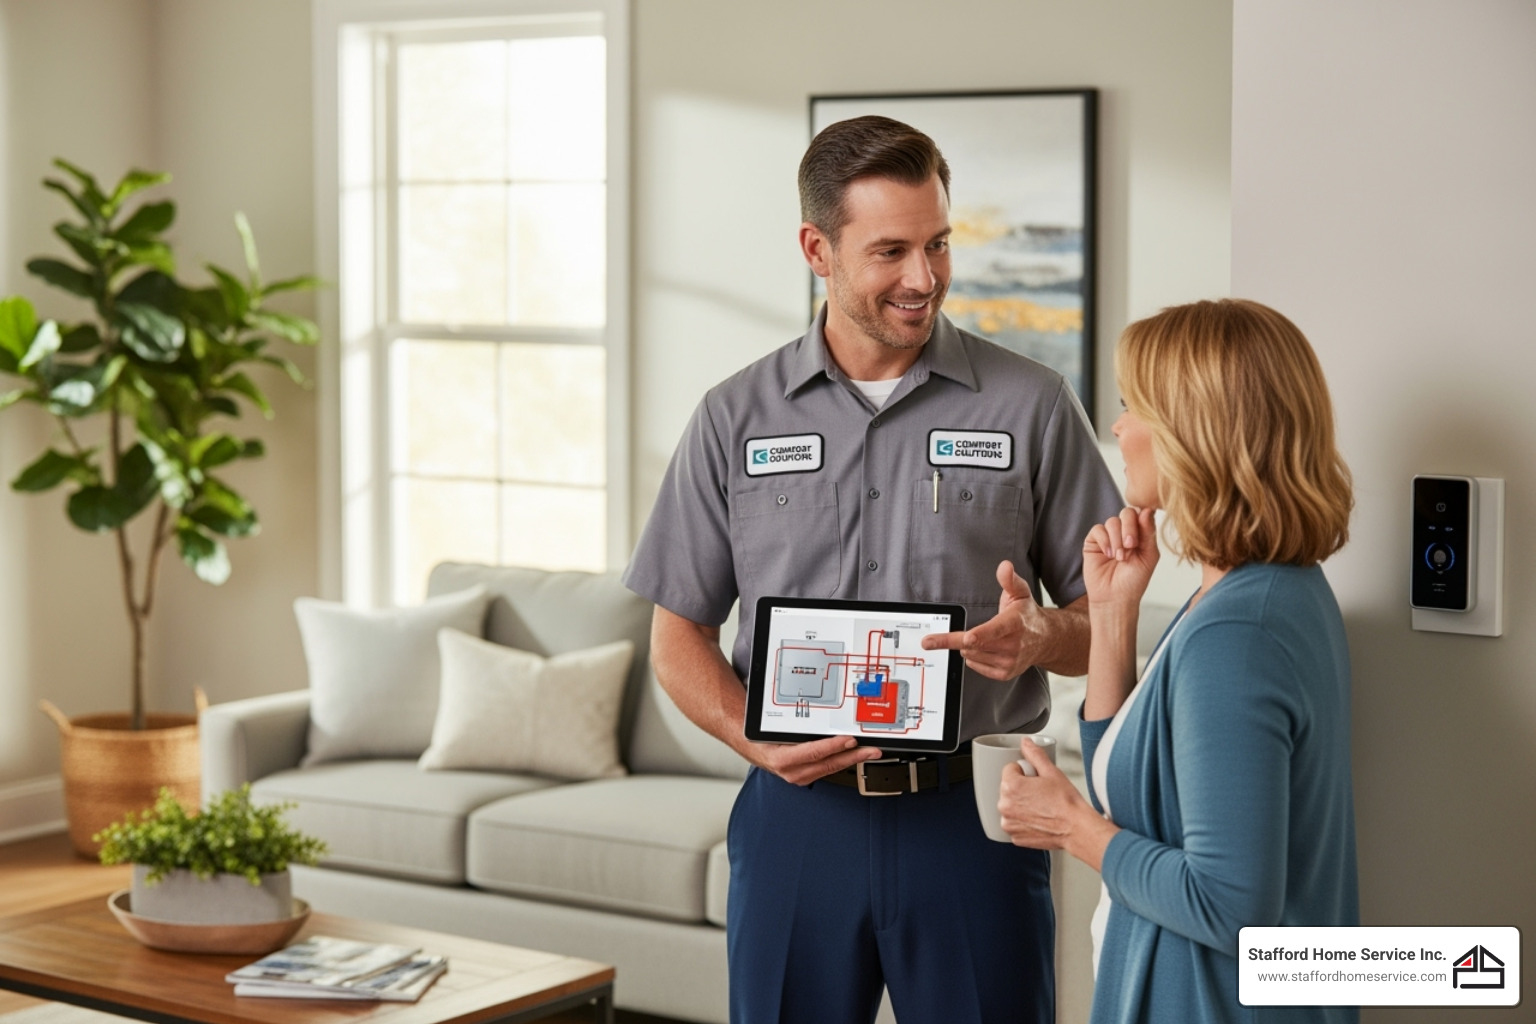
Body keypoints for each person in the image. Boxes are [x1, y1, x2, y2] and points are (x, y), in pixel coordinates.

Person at [622, 115, 1122, 1024]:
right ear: (818, 248)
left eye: (937, 244)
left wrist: (1042, 634)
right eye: (891, 250)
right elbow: (677, 636)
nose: (923, 278)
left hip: (971, 820)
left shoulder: (1035, 405)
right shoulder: (733, 418)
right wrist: (751, 737)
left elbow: (1108, 621)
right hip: (796, 824)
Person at [997, 299, 1359, 1024]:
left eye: (1134, 406)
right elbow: (1132, 787)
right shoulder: (1257, 594)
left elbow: (1230, 906)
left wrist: (1074, 830)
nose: (1118, 429)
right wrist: (1111, 614)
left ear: (1195, 432)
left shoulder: (1240, 635)